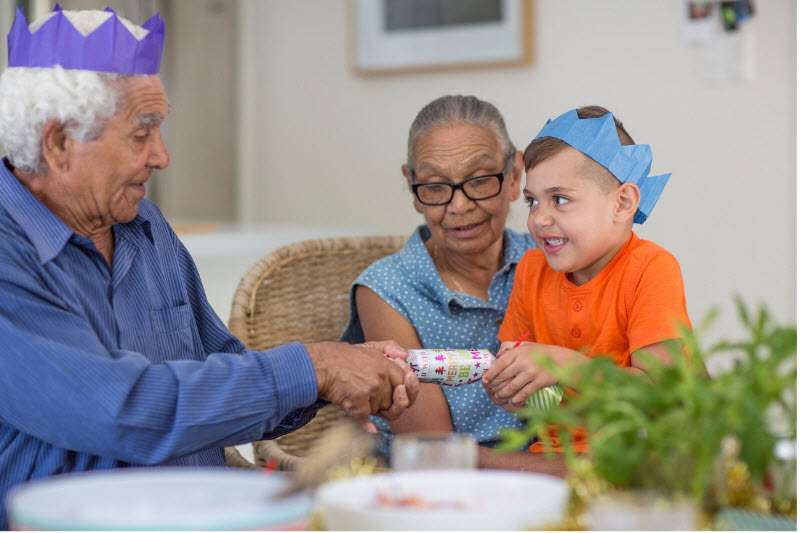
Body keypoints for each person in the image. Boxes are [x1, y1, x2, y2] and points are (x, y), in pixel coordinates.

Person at [0, 7, 418, 528]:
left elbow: (221, 367)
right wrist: (315, 367)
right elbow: (122, 411)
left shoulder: (144, 224)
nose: (162, 156)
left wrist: (333, 373)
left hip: (214, 512)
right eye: (142, 133)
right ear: (59, 144)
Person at [340, 95, 540, 467]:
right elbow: (432, 453)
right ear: (412, 186)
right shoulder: (388, 290)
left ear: (514, 176)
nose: (459, 206)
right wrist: (575, 472)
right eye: (434, 187)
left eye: (480, 181)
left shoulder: (551, 263)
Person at [483, 105, 692, 457]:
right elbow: (534, 400)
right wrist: (513, 387)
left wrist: (563, 365)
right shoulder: (531, 270)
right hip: (552, 454)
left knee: (480, 463)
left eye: (560, 199)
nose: (539, 218)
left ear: (623, 203)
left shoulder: (651, 269)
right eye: (533, 201)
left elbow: (661, 396)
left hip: (635, 460)